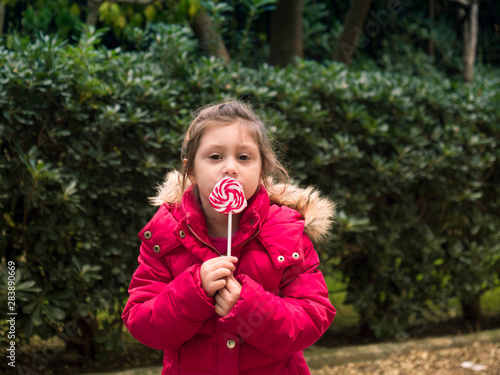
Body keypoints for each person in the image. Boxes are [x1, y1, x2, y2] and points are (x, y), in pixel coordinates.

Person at [122, 100, 336, 375]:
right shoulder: (166, 236)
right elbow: (142, 322)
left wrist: (250, 309)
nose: (230, 167)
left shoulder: (287, 232)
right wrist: (193, 290)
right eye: (215, 157)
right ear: (190, 170)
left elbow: (313, 316)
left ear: (262, 169)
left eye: (244, 157)